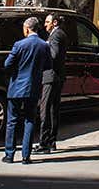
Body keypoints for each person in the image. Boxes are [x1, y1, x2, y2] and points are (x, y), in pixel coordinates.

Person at [3, 16, 50, 164]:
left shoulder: (19, 44)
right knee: (30, 120)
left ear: (27, 28)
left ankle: (9, 154)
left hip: (16, 87)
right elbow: (48, 65)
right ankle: (26, 155)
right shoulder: (44, 45)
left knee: (12, 121)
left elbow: (7, 64)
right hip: (33, 87)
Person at [35, 13, 69, 154]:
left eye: (47, 22)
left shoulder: (55, 35)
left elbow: (54, 55)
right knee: (53, 110)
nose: (45, 24)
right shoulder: (61, 34)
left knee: (46, 109)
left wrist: (42, 58)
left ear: (54, 23)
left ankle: (44, 143)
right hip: (57, 76)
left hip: (51, 76)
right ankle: (52, 141)